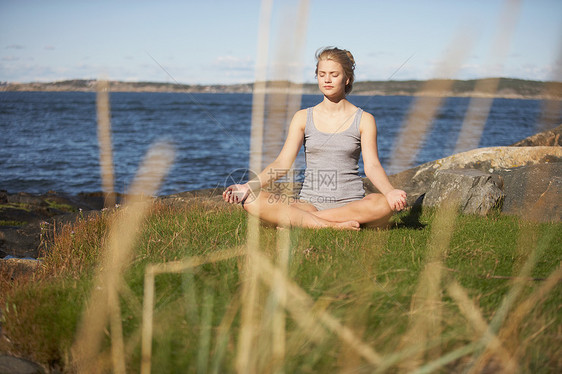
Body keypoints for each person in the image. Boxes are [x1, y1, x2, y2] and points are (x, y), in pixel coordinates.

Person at [223, 47, 407, 230]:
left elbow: (372, 166)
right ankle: (330, 226)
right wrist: (247, 186)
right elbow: (282, 163)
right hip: (309, 203)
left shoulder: (364, 120)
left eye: (334, 74)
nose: (327, 79)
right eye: (322, 74)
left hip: (351, 204)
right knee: (251, 200)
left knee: (383, 204)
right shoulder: (302, 117)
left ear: (347, 79)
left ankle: (302, 221)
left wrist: (390, 192)